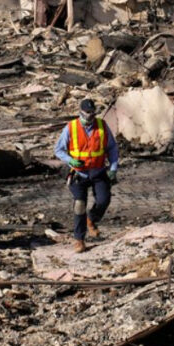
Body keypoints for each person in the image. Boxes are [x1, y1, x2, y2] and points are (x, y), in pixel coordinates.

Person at [53, 98, 119, 253]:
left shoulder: (102, 126)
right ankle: (79, 239)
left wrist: (113, 167)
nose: (90, 115)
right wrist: (71, 161)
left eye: (92, 112)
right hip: (79, 173)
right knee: (79, 205)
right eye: (87, 112)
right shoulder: (71, 128)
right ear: (80, 112)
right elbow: (59, 150)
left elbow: (112, 148)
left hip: (98, 171)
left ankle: (92, 219)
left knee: (103, 200)